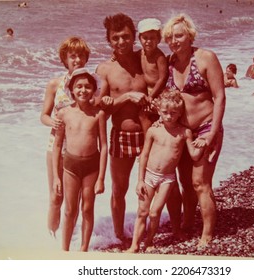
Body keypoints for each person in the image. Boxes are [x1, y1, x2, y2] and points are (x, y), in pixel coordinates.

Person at [162, 13, 226, 247]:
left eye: (178, 35)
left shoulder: (206, 58)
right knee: (185, 182)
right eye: (169, 37)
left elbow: (219, 97)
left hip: (206, 128)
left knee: (200, 182)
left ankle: (207, 234)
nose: (174, 41)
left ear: (190, 35)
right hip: (183, 132)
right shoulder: (169, 63)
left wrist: (212, 134)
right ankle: (188, 223)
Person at [125, 90, 205, 253]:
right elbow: (144, 155)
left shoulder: (184, 132)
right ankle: (134, 245)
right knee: (142, 212)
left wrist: (204, 143)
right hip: (148, 176)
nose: (169, 116)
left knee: (154, 213)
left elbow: (194, 156)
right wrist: (140, 180)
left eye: (173, 113)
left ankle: (149, 241)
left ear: (180, 113)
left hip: (167, 179)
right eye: (165, 112)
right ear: (159, 111)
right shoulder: (153, 131)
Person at [95, 13, 149, 242]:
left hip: (150, 134)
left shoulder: (145, 60)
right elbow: (99, 107)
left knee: (149, 186)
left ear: (134, 37)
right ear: (109, 41)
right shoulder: (104, 70)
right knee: (119, 188)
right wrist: (126, 97)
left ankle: (144, 230)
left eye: (125, 37)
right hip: (122, 135)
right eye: (115, 38)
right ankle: (118, 235)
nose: (121, 42)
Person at [40, 36, 90, 237]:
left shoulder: (90, 84)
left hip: (79, 149)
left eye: (80, 56)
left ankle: (69, 239)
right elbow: (43, 115)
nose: (77, 60)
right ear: (65, 59)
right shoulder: (55, 84)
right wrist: (52, 121)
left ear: (86, 59)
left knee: (74, 199)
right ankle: (50, 238)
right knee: (55, 196)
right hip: (56, 147)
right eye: (72, 56)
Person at [52, 68, 108, 251]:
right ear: (71, 90)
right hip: (70, 167)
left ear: (94, 89)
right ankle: (65, 250)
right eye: (79, 87)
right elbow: (57, 146)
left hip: (91, 167)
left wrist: (101, 178)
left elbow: (104, 146)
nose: (83, 90)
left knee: (87, 208)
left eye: (87, 87)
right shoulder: (63, 113)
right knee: (69, 210)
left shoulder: (98, 114)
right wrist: (56, 177)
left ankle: (83, 250)